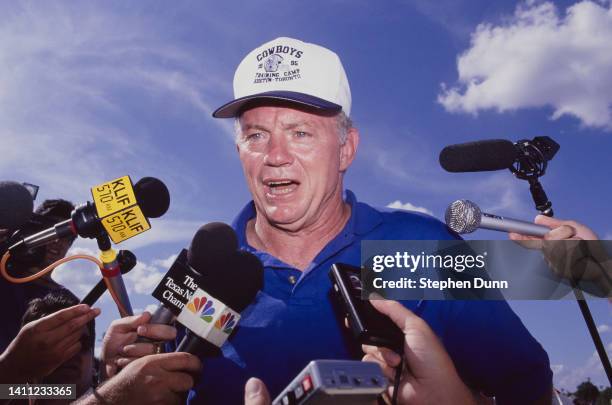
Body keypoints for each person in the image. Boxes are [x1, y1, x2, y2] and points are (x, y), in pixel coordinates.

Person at [0, 199, 77, 352]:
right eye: (50, 230)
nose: (57, 241)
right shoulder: (3, 273)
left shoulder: (68, 302)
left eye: (66, 236)